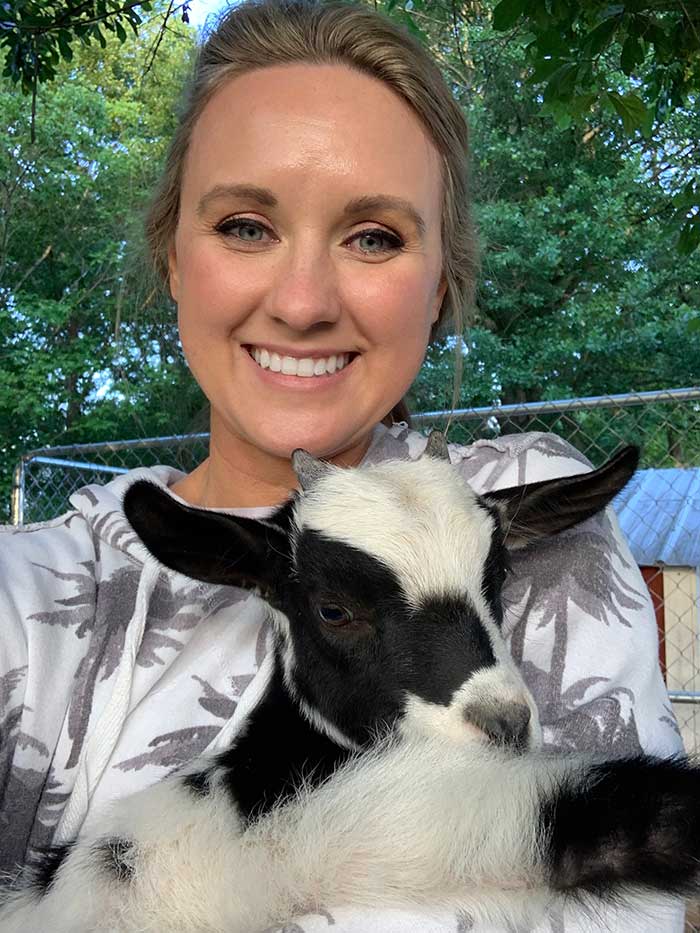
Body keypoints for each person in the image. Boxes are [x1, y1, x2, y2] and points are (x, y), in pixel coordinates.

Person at [0, 0, 684, 929]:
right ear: (172, 254)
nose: (303, 301)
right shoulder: (33, 601)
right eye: (245, 224)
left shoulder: (509, 507)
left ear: (441, 280)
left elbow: (618, 906)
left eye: (374, 237)